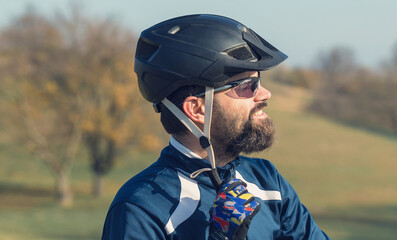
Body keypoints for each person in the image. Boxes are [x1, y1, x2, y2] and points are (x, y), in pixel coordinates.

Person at [102, 14, 330, 240]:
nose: (264, 94)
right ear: (197, 109)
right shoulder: (141, 209)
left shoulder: (267, 182)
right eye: (248, 86)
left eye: (258, 81)